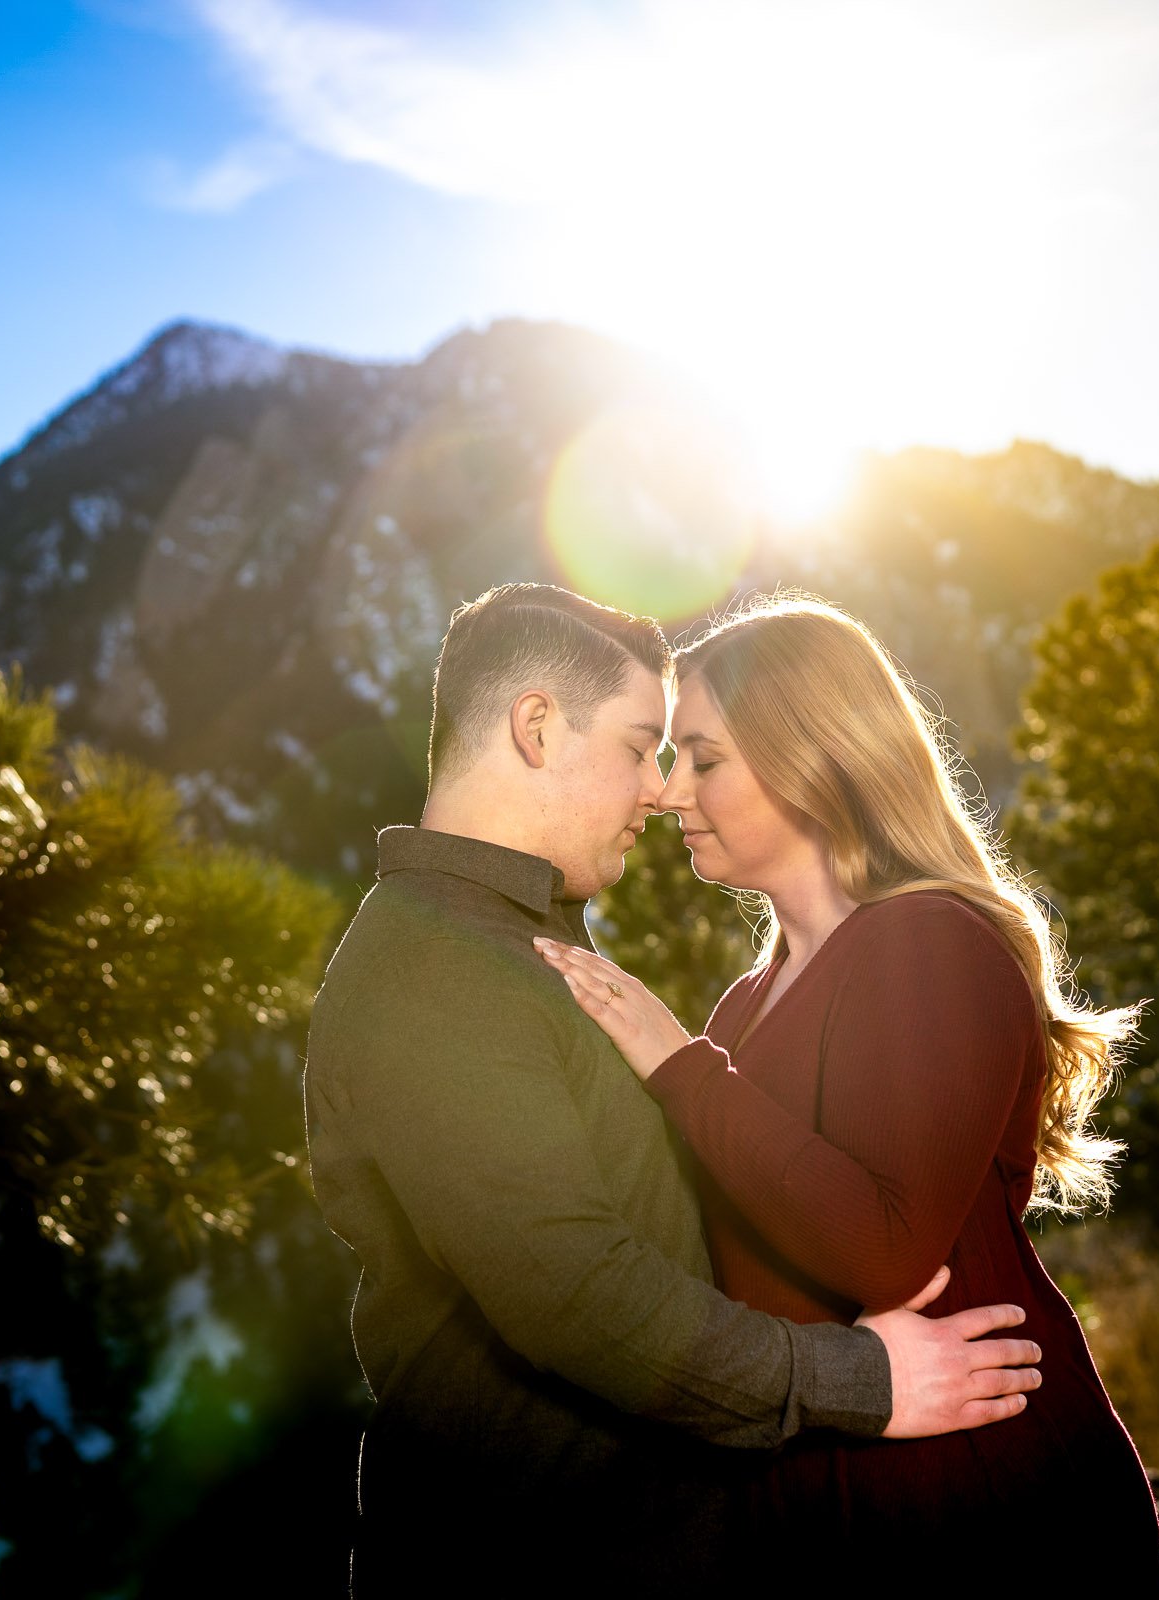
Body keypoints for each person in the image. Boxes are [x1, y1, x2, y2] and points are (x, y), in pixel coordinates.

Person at [304, 583, 1046, 1596]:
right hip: (535, 1562)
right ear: (536, 727)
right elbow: (576, 1289)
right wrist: (857, 1378)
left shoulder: (520, 946)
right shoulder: (439, 967)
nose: (657, 791)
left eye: (689, 756)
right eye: (640, 744)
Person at [536, 591, 1159, 1588]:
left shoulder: (927, 943)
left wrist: (672, 1062)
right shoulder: (743, 1005)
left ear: (811, 755)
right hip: (834, 1511)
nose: (666, 794)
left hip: (984, 1501)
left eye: (704, 758)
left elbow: (885, 1249)